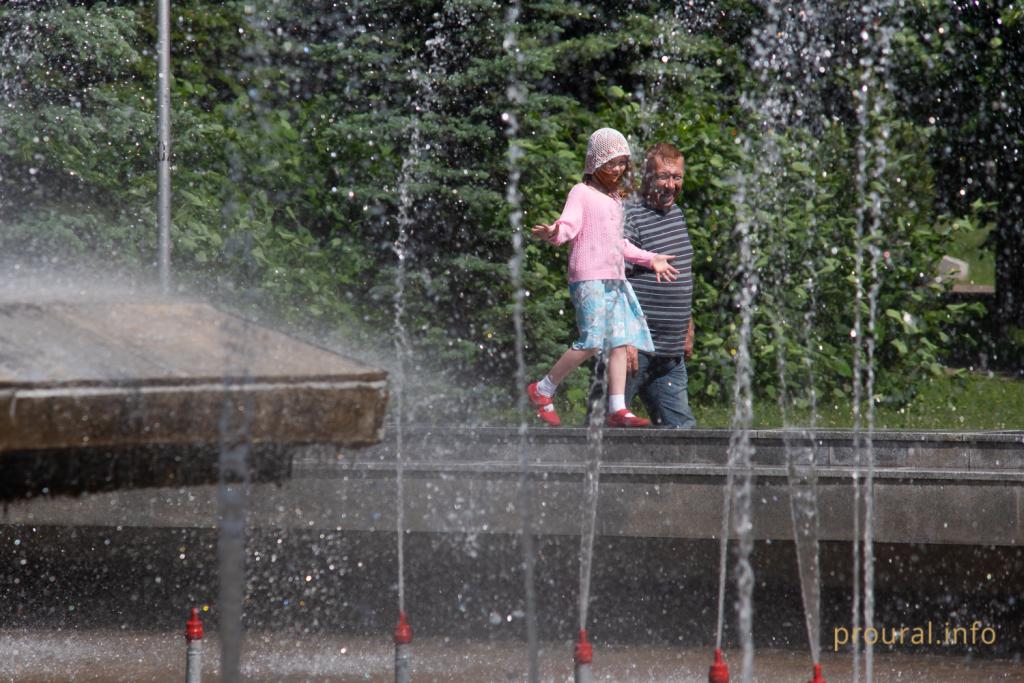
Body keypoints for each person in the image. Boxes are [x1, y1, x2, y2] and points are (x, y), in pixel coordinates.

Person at [526, 128, 679, 428]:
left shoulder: (614, 200)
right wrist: (555, 233)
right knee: (593, 340)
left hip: (614, 280)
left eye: (622, 162)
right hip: (589, 279)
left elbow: (619, 244)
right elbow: (569, 225)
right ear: (595, 163)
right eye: (611, 162)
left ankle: (617, 408)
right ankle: (543, 389)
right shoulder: (580, 193)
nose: (618, 169)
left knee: (620, 340)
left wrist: (651, 259)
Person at [622, 142, 697, 428]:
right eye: (663, 176)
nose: (671, 185)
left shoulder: (677, 215)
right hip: (632, 350)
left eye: (677, 177)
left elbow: (682, 274)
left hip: (670, 354)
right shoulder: (630, 214)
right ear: (647, 177)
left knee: (682, 434)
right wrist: (624, 338)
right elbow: (615, 279)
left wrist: (687, 325)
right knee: (603, 429)